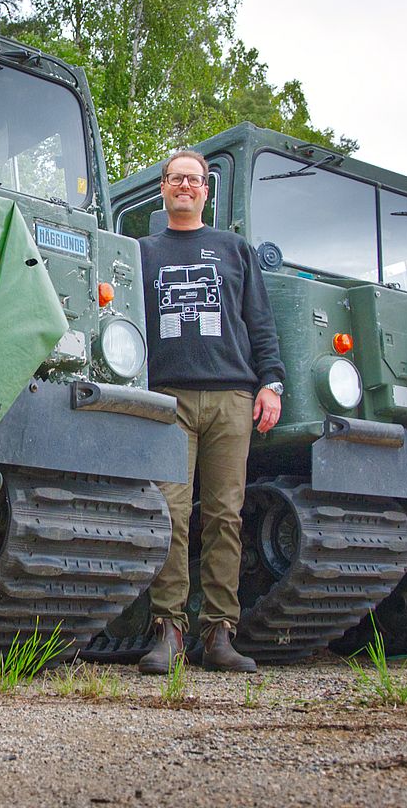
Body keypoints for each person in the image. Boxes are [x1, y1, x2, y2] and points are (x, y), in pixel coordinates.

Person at [137, 148, 285, 674]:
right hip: (167, 398)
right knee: (171, 513)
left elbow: (260, 321)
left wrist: (271, 382)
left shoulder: (234, 249)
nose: (184, 186)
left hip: (231, 396)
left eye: (193, 180)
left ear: (206, 190)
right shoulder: (141, 252)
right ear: (163, 188)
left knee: (225, 516)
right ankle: (168, 631)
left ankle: (220, 633)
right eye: (175, 178)